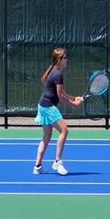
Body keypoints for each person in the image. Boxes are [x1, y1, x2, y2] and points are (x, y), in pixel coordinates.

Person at [33, 47, 83, 175]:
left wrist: (74, 98)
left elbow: (61, 92)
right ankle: (57, 162)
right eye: (65, 58)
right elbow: (60, 95)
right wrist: (73, 104)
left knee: (47, 137)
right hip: (48, 107)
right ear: (59, 60)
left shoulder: (55, 71)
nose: (67, 59)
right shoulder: (57, 74)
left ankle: (37, 166)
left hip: (43, 105)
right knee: (64, 130)